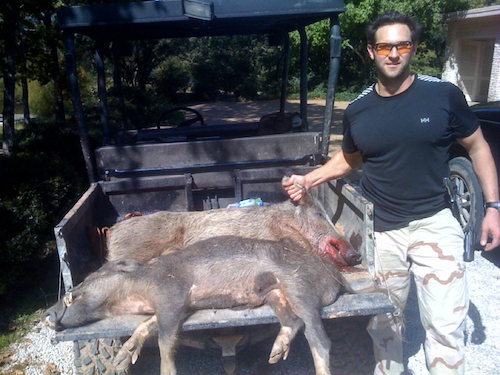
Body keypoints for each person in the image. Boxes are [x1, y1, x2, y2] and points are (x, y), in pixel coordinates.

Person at [283, 10, 500, 375]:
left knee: (447, 327)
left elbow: (478, 147)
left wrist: (492, 206)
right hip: (381, 233)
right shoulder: (358, 109)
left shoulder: (443, 95)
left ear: (413, 47)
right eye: (385, 46)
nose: (394, 53)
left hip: (436, 225)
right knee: (384, 325)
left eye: (402, 44)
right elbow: (350, 158)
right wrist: (310, 179)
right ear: (371, 51)